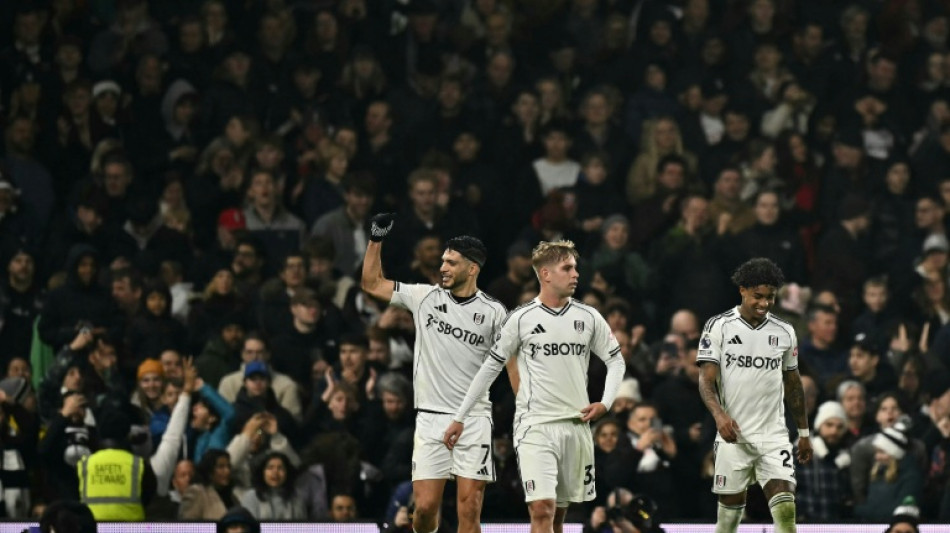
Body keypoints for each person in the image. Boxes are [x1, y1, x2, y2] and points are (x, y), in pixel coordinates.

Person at [443, 240, 626, 533]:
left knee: (558, 517)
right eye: (567, 268)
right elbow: (489, 368)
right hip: (535, 427)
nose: (576, 274)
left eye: (576, 267)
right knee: (542, 510)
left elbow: (616, 362)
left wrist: (605, 402)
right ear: (546, 274)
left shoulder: (589, 317)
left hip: (575, 427)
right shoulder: (521, 318)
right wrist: (459, 417)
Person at [361, 213, 508, 533]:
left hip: (473, 418)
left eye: (451, 262)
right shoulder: (423, 297)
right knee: (425, 509)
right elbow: (371, 283)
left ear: (472, 268)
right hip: (430, 418)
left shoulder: (494, 312)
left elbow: (510, 360)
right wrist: (375, 240)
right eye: (443, 260)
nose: (442, 267)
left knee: (469, 509)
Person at [696, 257, 812, 533]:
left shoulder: (784, 331)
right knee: (728, 522)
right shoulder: (719, 326)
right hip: (733, 434)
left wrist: (804, 433)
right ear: (743, 290)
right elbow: (705, 381)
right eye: (758, 296)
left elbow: (793, 384)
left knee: (786, 510)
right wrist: (719, 415)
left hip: (773, 435)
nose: (764, 303)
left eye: (770, 297)